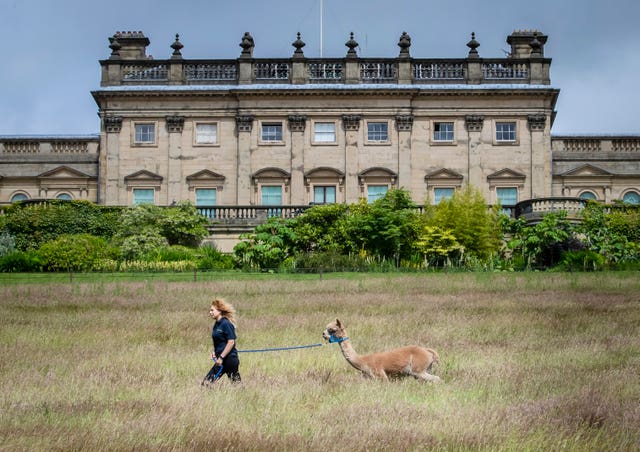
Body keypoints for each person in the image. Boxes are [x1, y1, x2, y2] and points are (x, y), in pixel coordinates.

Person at [203, 298, 241, 384]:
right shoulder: (216, 324)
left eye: (212, 310)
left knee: (236, 385)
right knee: (206, 383)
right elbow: (219, 341)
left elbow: (231, 342)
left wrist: (221, 357)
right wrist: (215, 352)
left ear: (219, 311)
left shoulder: (226, 324)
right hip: (221, 360)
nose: (210, 312)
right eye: (210, 310)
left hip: (229, 360)